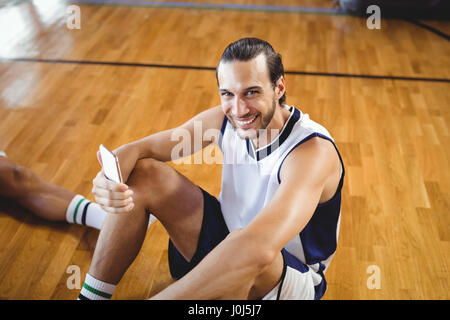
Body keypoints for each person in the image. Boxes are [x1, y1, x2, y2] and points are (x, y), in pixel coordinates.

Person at [82, 37, 345, 300]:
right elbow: (138, 150)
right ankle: (91, 297)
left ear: (279, 87)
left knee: (248, 247)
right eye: (228, 94)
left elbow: (259, 249)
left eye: (251, 92)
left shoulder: (311, 152)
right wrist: (107, 179)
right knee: (144, 174)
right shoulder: (223, 120)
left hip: (282, 277)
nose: (239, 109)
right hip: (229, 244)